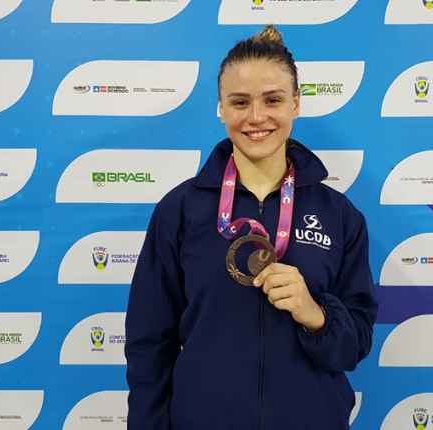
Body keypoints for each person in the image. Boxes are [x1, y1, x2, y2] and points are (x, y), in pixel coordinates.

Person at [125, 25, 378, 430]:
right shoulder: (180, 211)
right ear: (221, 108)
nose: (256, 117)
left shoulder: (340, 216)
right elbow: (148, 344)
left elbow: (356, 344)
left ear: (296, 103)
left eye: (273, 100)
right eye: (240, 102)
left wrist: (314, 314)